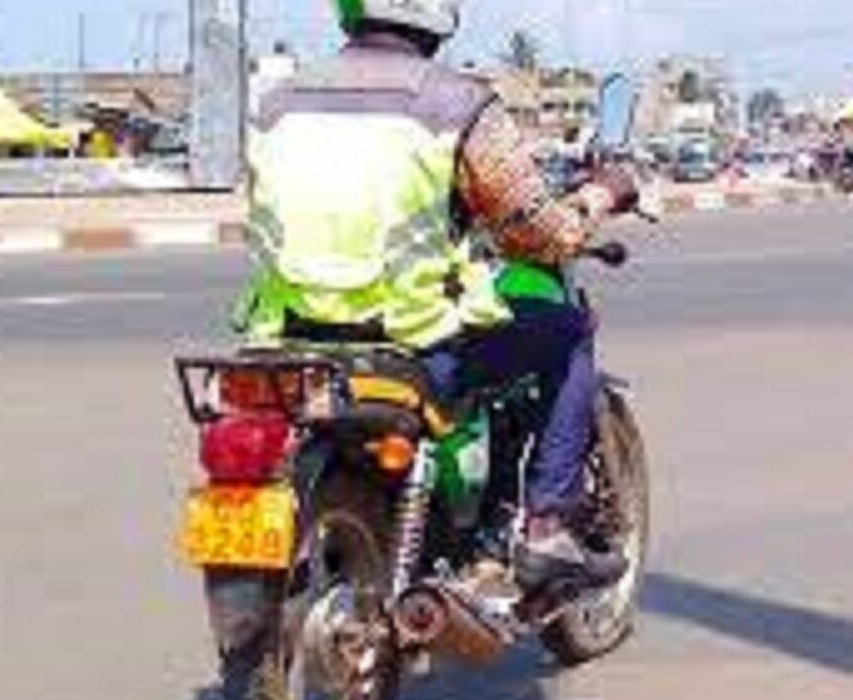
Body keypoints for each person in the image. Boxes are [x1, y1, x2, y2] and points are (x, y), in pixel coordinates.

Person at [238, 0, 638, 589]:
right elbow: (540, 232)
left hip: (286, 340)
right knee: (566, 335)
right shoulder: (459, 103)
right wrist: (601, 193)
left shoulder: (274, 102)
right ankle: (548, 525)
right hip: (410, 340)